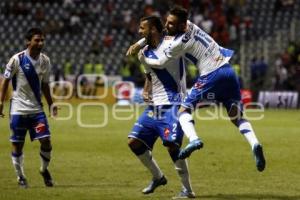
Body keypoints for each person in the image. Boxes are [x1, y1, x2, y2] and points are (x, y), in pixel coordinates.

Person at [128, 6, 266, 172]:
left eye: (171, 24)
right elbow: (160, 32)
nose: (167, 26)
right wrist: (140, 42)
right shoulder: (191, 25)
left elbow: (159, 63)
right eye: (167, 22)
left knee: (182, 110)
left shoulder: (178, 43)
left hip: (211, 74)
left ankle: (194, 139)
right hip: (229, 70)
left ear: (181, 25)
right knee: (236, 115)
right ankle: (255, 143)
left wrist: (142, 56)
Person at [127, 16, 196, 199]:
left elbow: (185, 30)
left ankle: (187, 190)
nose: (140, 31)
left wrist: (139, 42)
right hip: (154, 106)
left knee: (173, 146)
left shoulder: (173, 44)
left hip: (174, 104)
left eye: (143, 28)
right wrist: (146, 90)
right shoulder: (143, 54)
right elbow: (150, 74)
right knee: (134, 142)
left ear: (154, 29)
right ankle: (158, 177)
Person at [0, 27, 58, 188]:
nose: (41, 43)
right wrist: (0, 102)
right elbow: (5, 80)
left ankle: (44, 170)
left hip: (37, 110)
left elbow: (45, 84)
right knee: (17, 144)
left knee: (46, 141)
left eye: (42, 40)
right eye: (37, 40)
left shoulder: (45, 60)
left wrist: (51, 103)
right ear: (28, 41)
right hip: (18, 109)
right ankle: (20, 176)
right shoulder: (16, 59)